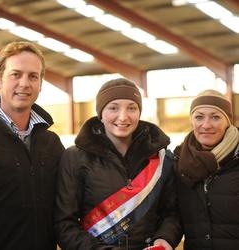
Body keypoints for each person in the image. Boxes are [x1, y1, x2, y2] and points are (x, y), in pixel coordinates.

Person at [54, 78, 182, 250]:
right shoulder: (75, 158)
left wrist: (164, 239)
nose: (123, 116)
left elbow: (172, 214)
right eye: (113, 108)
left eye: (132, 108)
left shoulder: (162, 159)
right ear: (101, 113)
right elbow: (64, 225)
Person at [0, 41, 65, 250]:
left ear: (40, 83)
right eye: (16, 74)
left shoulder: (52, 144)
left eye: (33, 76)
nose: (24, 83)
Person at [174, 89, 239, 250]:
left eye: (215, 117)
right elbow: (172, 215)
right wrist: (164, 238)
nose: (206, 125)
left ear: (228, 121)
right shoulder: (179, 162)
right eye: (199, 117)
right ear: (192, 121)